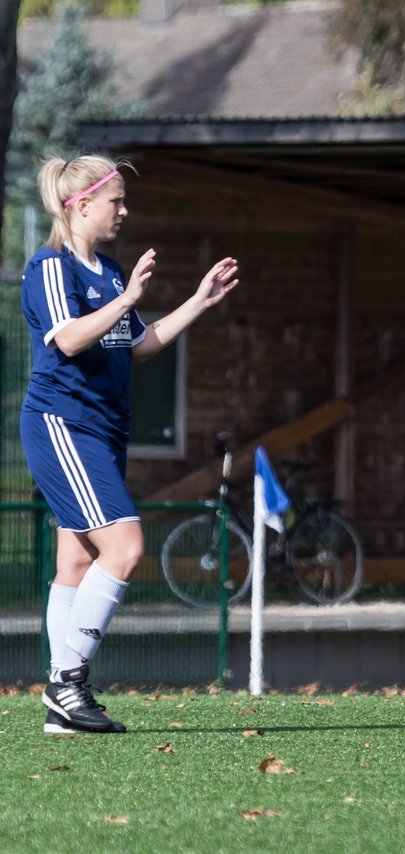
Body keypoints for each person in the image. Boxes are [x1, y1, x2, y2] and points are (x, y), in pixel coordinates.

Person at [22, 154, 238, 735]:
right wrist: (122, 300)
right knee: (126, 547)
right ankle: (67, 684)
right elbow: (67, 339)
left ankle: (59, 707)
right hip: (62, 425)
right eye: (115, 201)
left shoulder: (111, 272)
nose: (124, 210)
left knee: (77, 560)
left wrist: (198, 300)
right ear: (81, 205)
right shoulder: (50, 266)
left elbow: (137, 345)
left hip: (102, 429)